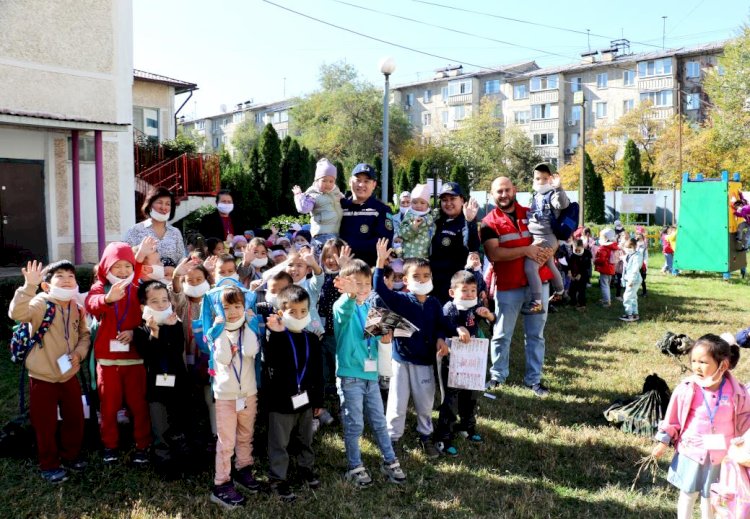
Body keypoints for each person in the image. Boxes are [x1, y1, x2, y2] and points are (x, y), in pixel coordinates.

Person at [9, 260, 90, 482]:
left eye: (70, 276)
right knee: (45, 423)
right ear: (47, 285)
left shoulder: (76, 307)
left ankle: (71, 455)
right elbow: (17, 313)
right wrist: (28, 286)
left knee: (75, 418)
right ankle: (49, 464)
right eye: (59, 276)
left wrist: (79, 354)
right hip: (42, 377)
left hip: (69, 374)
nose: (66, 279)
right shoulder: (40, 303)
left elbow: (84, 335)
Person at [652, 334, 750, 519]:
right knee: (688, 494)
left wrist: (745, 439)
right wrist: (663, 441)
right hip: (692, 452)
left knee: (711, 495)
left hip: (721, 454)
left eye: (703, 362)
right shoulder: (687, 389)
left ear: (723, 365)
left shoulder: (736, 392)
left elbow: (745, 417)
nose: (697, 366)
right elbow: (672, 418)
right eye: (694, 361)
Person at [332, 259, 407, 486]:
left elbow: (374, 340)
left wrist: (385, 339)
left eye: (366, 284)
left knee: (379, 420)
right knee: (354, 423)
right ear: (345, 285)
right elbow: (344, 312)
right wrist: (351, 295)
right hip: (350, 377)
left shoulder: (371, 309)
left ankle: (390, 460)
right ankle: (355, 466)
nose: (362, 288)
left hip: (371, 375)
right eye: (356, 284)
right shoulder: (341, 305)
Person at [374, 238, 448, 458]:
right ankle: (392, 438)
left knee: (425, 403)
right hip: (400, 360)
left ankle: (425, 436)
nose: (422, 280)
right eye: (416, 276)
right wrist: (379, 263)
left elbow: (440, 325)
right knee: (396, 402)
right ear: (405, 280)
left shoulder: (435, 303)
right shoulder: (400, 300)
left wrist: (442, 338)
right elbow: (380, 289)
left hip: (425, 362)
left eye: (426, 276)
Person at [85, 238, 157, 464]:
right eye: (117, 266)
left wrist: (135, 333)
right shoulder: (101, 287)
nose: (123, 270)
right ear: (106, 267)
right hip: (108, 361)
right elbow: (91, 303)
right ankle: (110, 445)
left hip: (134, 359)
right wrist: (107, 299)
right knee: (108, 406)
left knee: (139, 405)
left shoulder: (136, 285)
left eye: (127, 266)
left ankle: (143, 445)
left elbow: (148, 313)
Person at [480, 177, 553, 397]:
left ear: (515, 190)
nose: (503, 195)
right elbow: (494, 253)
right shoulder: (488, 222)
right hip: (508, 286)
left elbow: (550, 237)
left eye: (506, 190)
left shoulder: (532, 213)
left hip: (538, 285)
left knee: (535, 334)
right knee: (502, 334)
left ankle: (534, 380)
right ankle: (497, 376)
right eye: (498, 191)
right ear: (492, 195)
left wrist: (550, 250)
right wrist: (526, 251)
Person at [264, 286, 324, 502]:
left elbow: (318, 373)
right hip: (280, 403)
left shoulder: (312, 340)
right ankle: (278, 478)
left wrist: (319, 400)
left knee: (305, 438)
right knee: (279, 442)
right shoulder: (275, 337)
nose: (299, 316)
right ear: (281, 313)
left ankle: (305, 468)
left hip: (306, 401)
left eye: (303, 311)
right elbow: (272, 362)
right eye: (292, 312)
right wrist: (278, 334)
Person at [208, 286, 261, 509]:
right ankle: (221, 483)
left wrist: (248, 324)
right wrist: (221, 331)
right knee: (226, 441)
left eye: (238, 306)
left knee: (245, 435)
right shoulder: (216, 332)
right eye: (227, 307)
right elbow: (223, 357)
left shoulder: (249, 329)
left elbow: (250, 350)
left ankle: (243, 469)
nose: (233, 312)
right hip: (226, 397)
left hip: (248, 393)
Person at [434, 271, 494, 456]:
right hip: (452, 362)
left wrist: (490, 316)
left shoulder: (476, 307)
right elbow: (442, 326)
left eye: (473, 290)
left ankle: (467, 427)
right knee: (450, 399)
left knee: (471, 396)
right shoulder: (449, 308)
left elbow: (494, 324)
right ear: (452, 292)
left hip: (472, 361)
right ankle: (443, 436)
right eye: (464, 290)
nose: (469, 294)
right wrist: (456, 328)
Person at [133, 280, 189, 474]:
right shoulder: (140, 330)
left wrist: (171, 328)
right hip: (156, 388)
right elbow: (150, 355)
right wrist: (155, 332)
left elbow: (176, 351)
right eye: (155, 301)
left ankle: (183, 459)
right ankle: (163, 461)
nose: (162, 305)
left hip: (178, 384)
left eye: (165, 300)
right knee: (160, 424)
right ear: (144, 307)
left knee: (179, 421)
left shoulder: (175, 324)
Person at [522, 163, 569, 315]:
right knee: (549, 264)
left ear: (551, 179)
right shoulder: (536, 195)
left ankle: (536, 303)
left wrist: (558, 188)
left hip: (546, 238)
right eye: (537, 178)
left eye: (544, 178)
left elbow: (562, 204)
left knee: (530, 267)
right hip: (539, 238)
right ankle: (560, 290)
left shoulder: (552, 194)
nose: (541, 181)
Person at [429, 182, 480, 303]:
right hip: (433, 282)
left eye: (453, 199)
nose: (448, 203)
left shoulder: (466, 221)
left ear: (462, 200)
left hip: (455, 285)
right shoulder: (437, 221)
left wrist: (469, 222)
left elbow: (472, 247)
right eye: (444, 200)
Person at [339, 163, 394, 266]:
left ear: (374, 184)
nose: (361, 185)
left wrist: (349, 246)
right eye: (358, 180)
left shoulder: (382, 210)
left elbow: (384, 243)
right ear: (350, 181)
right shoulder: (340, 207)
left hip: (369, 271)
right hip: (341, 268)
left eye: (366, 181)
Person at [293, 158, 344, 256]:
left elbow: (345, 202)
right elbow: (304, 209)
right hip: (322, 235)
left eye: (331, 181)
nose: (328, 184)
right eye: (324, 180)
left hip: (337, 233)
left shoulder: (335, 192)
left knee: (334, 263)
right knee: (324, 261)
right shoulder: (313, 194)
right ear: (317, 180)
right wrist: (299, 195)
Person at [125, 187, 186, 267]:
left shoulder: (175, 232)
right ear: (150, 205)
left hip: (170, 278)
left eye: (168, 204)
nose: (163, 207)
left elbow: (181, 258)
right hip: (143, 278)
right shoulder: (135, 230)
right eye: (159, 203)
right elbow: (126, 259)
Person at [397, 183, 434, 259]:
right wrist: (413, 227)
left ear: (428, 205)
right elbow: (402, 233)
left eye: (422, 203)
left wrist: (425, 220)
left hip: (425, 256)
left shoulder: (430, 216)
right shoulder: (409, 216)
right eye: (415, 202)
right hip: (409, 255)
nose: (418, 205)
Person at [619, 238, 643, 322]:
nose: (627, 249)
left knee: (627, 297)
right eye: (626, 247)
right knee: (633, 297)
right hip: (629, 279)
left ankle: (629, 315)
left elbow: (635, 269)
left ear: (635, 247)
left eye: (629, 247)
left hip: (633, 280)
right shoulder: (629, 255)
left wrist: (631, 281)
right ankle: (635, 314)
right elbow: (625, 259)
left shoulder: (637, 256)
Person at [593, 228, 618, 308]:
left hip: (605, 268)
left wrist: (595, 261)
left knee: (604, 285)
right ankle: (607, 299)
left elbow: (601, 260)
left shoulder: (603, 248)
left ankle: (606, 302)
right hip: (611, 268)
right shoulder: (613, 246)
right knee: (607, 284)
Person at [567, 239, 592, 311]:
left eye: (578, 249)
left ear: (582, 246)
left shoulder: (587, 253)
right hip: (573, 274)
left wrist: (580, 274)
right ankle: (573, 302)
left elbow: (587, 265)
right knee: (572, 290)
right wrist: (569, 272)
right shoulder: (573, 254)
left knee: (581, 290)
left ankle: (582, 304)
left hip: (583, 275)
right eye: (575, 249)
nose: (577, 251)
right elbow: (570, 263)